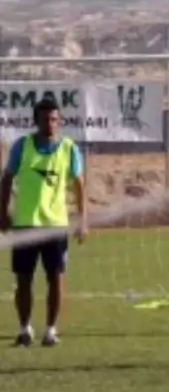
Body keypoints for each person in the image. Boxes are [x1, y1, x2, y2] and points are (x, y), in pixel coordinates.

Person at [0, 98, 87, 347]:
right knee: (23, 279)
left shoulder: (69, 148)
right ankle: (24, 328)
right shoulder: (22, 146)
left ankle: (50, 330)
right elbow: (6, 179)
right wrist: (3, 212)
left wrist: (83, 219)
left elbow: (79, 184)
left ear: (59, 122)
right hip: (25, 224)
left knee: (56, 277)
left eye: (54, 119)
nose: (50, 123)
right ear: (35, 121)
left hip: (55, 225)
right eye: (45, 119)